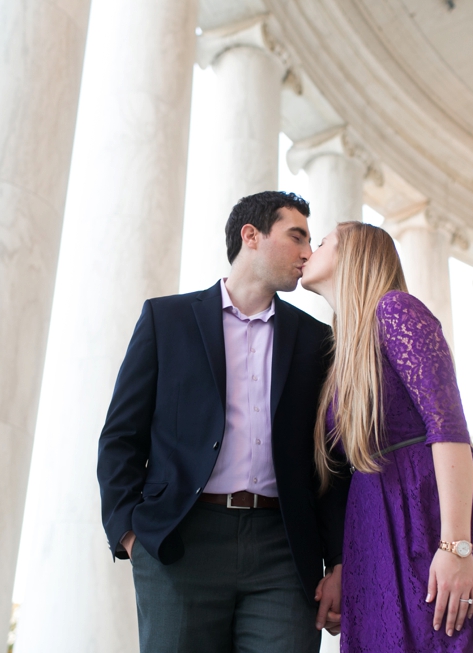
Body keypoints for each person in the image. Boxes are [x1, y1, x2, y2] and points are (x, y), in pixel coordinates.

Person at [97, 191, 350, 653]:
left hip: (283, 550)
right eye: (297, 236)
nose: (308, 253)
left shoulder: (316, 340)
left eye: (311, 241)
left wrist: (337, 560)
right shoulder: (166, 320)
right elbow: (121, 436)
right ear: (250, 236)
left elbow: (330, 462)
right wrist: (130, 535)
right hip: (182, 543)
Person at [301, 221, 473, 652]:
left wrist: (456, 548)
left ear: (354, 254)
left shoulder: (396, 311)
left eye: (323, 241)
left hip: (424, 517)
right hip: (373, 526)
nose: (311, 248)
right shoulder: (344, 352)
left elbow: (447, 428)